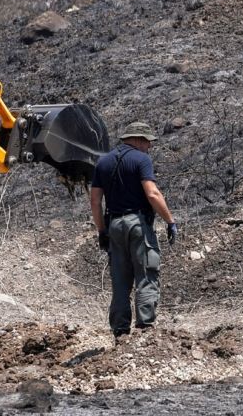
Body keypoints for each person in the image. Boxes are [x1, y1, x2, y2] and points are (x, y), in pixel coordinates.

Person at [89, 121, 177, 338]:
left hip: (114, 225)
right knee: (146, 273)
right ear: (138, 139)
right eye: (147, 142)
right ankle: (145, 331)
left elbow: (94, 200)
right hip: (138, 224)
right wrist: (170, 221)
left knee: (120, 279)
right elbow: (153, 194)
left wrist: (102, 231)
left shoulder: (103, 162)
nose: (149, 146)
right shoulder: (141, 159)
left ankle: (120, 331)